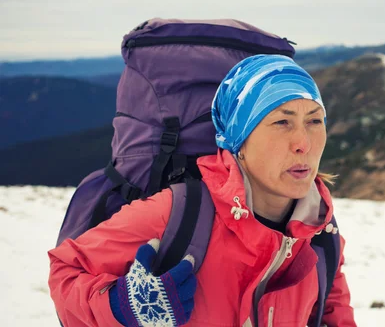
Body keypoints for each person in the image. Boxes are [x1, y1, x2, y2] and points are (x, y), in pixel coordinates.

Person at [48, 54, 356, 326]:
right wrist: (120, 308)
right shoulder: (176, 214)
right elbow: (65, 272)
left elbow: (333, 315)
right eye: (281, 123)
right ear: (239, 139)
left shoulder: (319, 233)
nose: (304, 143)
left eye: (315, 121)